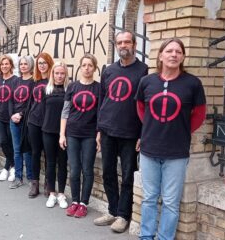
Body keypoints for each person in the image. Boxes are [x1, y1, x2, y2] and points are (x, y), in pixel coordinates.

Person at [135, 38, 206, 240]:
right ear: (160, 56)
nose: (174, 54)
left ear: (183, 56)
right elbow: (141, 108)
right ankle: (146, 236)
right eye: (169, 51)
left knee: (170, 202)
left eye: (178, 51)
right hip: (149, 149)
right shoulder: (147, 82)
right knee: (148, 198)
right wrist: (151, 127)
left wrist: (181, 130)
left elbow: (199, 114)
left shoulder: (193, 83)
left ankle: (164, 237)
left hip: (176, 153)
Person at [94, 31, 148, 232]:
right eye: (119, 42)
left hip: (130, 132)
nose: (123, 45)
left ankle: (124, 215)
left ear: (134, 44)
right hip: (107, 129)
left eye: (127, 41)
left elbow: (145, 105)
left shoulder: (143, 70)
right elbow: (102, 100)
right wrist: (98, 129)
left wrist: (142, 133)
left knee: (127, 175)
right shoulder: (108, 70)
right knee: (108, 172)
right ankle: (112, 210)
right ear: (116, 45)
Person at [60, 53, 100, 218]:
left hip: (90, 135)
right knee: (75, 169)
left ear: (95, 68)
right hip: (73, 134)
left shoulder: (99, 88)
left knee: (87, 169)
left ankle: (84, 203)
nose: (87, 68)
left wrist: (99, 135)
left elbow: (101, 114)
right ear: (80, 67)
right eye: (84, 65)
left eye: (90, 65)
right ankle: (75, 201)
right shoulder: (72, 87)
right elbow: (65, 112)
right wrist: (62, 134)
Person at [42, 62, 69, 209]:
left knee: (63, 164)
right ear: (52, 74)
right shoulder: (47, 90)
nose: (59, 76)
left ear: (65, 75)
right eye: (56, 73)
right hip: (48, 132)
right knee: (50, 163)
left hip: (64, 134)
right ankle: (52, 193)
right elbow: (42, 111)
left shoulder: (69, 90)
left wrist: (64, 133)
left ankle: (61, 194)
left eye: (62, 73)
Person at [27, 52, 54, 198]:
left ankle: (48, 184)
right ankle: (35, 183)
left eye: (44, 63)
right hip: (34, 121)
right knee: (35, 153)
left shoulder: (54, 81)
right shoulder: (34, 81)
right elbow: (30, 102)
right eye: (39, 63)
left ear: (49, 64)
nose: (42, 65)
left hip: (48, 122)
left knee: (49, 155)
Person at [9, 55, 34, 189]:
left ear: (30, 65)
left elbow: (31, 103)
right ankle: (18, 177)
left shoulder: (33, 82)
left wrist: (21, 114)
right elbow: (10, 100)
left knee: (27, 150)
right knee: (17, 150)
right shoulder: (16, 81)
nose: (23, 66)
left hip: (27, 121)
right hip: (14, 120)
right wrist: (12, 115)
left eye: (26, 64)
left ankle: (30, 177)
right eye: (21, 64)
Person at [0, 55, 17, 182]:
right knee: (2, 142)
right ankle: (13, 165)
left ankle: (7, 168)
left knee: (11, 143)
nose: (4, 66)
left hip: (11, 117)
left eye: (7, 64)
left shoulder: (16, 80)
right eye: (2, 64)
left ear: (11, 65)